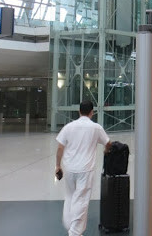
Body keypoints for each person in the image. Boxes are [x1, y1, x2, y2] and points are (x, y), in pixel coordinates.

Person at [55, 100, 112, 236]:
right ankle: (74, 232)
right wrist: (105, 150)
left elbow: (60, 148)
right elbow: (108, 143)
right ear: (92, 112)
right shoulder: (96, 128)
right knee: (81, 199)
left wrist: (58, 166)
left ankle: (69, 224)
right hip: (85, 169)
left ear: (79, 111)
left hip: (69, 168)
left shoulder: (69, 127)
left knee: (70, 196)